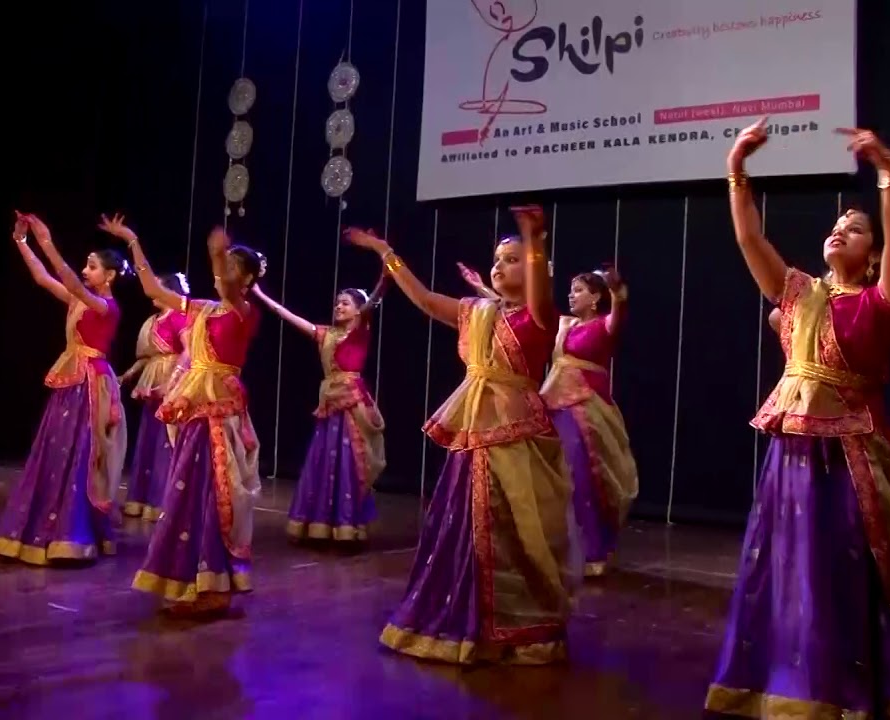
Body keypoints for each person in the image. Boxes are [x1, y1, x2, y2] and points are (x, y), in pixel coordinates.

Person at [704, 118, 890, 718]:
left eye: (855, 231)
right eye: (836, 226)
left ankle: (843, 692)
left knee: (839, 574)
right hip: (793, 452)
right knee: (781, 566)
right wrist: (737, 169)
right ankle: (777, 683)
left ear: (872, 257)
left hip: (850, 457)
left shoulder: (882, 302)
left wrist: (887, 175)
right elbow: (751, 241)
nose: (840, 232)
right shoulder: (797, 294)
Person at [347, 206, 577, 665]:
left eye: (511, 259)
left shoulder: (540, 316)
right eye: (497, 258)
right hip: (472, 428)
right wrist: (385, 252)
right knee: (462, 526)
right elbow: (427, 299)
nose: (499, 265)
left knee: (515, 531)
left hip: (515, 433)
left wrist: (534, 239)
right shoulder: (476, 311)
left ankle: (517, 624)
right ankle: (458, 617)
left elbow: (538, 286)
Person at [100, 214, 263, 616]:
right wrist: (133, 240)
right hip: (196, 407)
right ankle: (190, 581)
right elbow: (152, 287)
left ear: (244, 281)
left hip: (220, 409)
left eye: (231, 269)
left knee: (215, 493)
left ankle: (215, 585)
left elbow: (226, 286)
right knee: (187, 490)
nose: (222, 274)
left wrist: (217, 253)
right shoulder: (202, 309)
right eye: (222, 267)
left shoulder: (244, 312)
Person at [0, 212, 127, 566]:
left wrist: (46, 240)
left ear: (109, 275)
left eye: (92, 266)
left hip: (90, 384)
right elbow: (43, 278)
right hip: (71, 380)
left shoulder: (105, 306)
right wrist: (22, 242)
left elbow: (67, 279)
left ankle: (72, 532)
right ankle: (47, 528)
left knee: (79, 455)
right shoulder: (82, 300)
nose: (85, 270)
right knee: (55, 451)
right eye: (87, 265)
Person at [252, 270, 388, 546]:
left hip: (352, 404)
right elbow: (285, 314)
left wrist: (385, 276)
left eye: (345, 303)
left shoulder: (360, 330)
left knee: (350, 463)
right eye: (337, 302)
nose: (339, 306)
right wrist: (258, 293)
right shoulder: (325, 334)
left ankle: (347, 525)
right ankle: (319, 525)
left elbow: (373, 300)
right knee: (324, 460)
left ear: (357, 309)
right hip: (329, 403)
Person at [540, 267, 637, 577]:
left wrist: (618, 293)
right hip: (554, 404)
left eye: (579, 289)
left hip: (587, 410)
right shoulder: (564, 326)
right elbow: (534, 310)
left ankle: (592, 550)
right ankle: (555, 548)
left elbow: (618, 313)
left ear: (596, 297)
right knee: (553, 475)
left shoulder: (603, 327)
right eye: (570, 289)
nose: (571, 294)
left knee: (583, 477)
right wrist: (487, 292)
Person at [120, 272, 190, 521]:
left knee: (165, 439)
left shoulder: (179, 318)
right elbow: (147, 357)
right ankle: (140, 499)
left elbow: (188, 351)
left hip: (172, 380)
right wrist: (126, 376)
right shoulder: (153, 321)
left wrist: (173, 382)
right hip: (152, 380)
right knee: (148, 438)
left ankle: (162, 502)